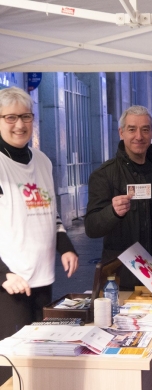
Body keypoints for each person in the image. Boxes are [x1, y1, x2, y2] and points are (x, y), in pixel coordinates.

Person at [0, 87, 78, 385]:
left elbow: (51, 213)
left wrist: (66, 247)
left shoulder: (43, 162)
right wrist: (4, 275)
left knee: (38, 364)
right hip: (9, 287)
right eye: (10, 117)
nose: (19, 124)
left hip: (43, 280)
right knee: (10, 368)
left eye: (26, 116)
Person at [84, 105, 152, 289]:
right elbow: (91, 228)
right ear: (121, 132)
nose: (139, 136)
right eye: (132, 129)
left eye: (145, 130)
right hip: (119, 272)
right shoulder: (104, 175)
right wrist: (112, 212)